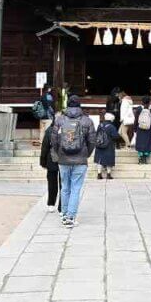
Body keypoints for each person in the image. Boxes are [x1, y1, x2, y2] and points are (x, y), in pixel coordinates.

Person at [53, 95, 96, 227]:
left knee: (65, 187)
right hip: (80, 159)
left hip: (63, 159)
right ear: (79, 105)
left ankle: (65, 215)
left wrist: (58, 152)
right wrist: (86, 154)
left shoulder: (60, 120)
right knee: (76, 188)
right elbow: (92, 141)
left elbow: (54, 140)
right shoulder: (87, 121)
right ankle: (71, 217)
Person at [39, 116, 60, 213]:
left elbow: (45, 147)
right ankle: (62, 205)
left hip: (51, 159)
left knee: (52, 183)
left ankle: (51, 204)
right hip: (65, 160)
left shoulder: (49, 130)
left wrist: (43, 161)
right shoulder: (66, 129)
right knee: (64, 184)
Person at [94, 112, 120, 179]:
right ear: (111, 119)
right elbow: (115, 136)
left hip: (99, 145)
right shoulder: (111, 127)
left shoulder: (100, 125)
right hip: (109, 146)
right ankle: (108, 174)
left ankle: (99, 174)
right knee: (109, 160)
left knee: (99, 159)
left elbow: (97, 134)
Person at [133, 96, 151, 164]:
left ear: (142, 102)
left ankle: (141, 158)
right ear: (149, 102)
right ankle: (145, 157)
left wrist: (135, 129)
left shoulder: (138, 109)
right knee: (148, 143)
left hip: (140, 128)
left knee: (140, 142)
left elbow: (136, 120)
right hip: (149, 129)